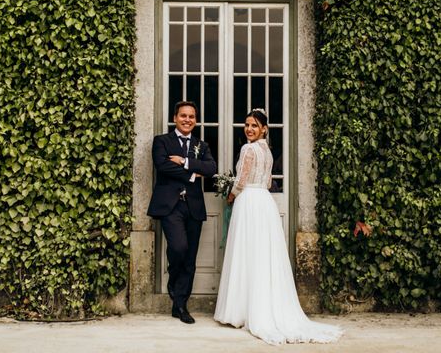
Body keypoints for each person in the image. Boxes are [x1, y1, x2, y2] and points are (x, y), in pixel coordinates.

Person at [214, 108, 343, 344]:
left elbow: (241, 180)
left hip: (250, 201)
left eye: (254, 125)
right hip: (264, 202)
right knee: (262, 255)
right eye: (247, 125)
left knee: (246, 253)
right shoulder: (268, 151)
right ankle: (261, 305)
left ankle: (241, 310)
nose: (249, 129)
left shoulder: (248, 148)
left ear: (264, 129)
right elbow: (269, 180)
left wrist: (231, 194)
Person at [147, 101, 217, 324]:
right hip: (171, 206)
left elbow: (211, 169)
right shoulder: (162, 141)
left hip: (194, 207)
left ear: (196, 120)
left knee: (190, 258)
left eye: (192, 117)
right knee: (178, 248)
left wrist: (186, 161)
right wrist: (192, 173)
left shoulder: (201, 145)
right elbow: (162, 166)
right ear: (175, 118)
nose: (188, 120)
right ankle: (174, 285)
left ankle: (180, 304)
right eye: (183, 116)